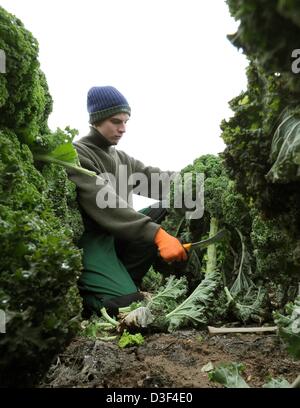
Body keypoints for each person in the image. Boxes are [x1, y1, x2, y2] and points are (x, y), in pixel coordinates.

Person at [67, 86, 187, 317]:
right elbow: (108, 204)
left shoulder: (120, 158)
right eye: (116, 121)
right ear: (96, 120)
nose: (123, 129)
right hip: (94, 243)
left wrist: (200, 180)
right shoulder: (78, 155)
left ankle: (125, 279)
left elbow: (159, 180)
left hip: (119, 240)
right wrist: (158, 235)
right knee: (126, 305)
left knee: (168, 206)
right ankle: (86, 295)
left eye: (126, 121)